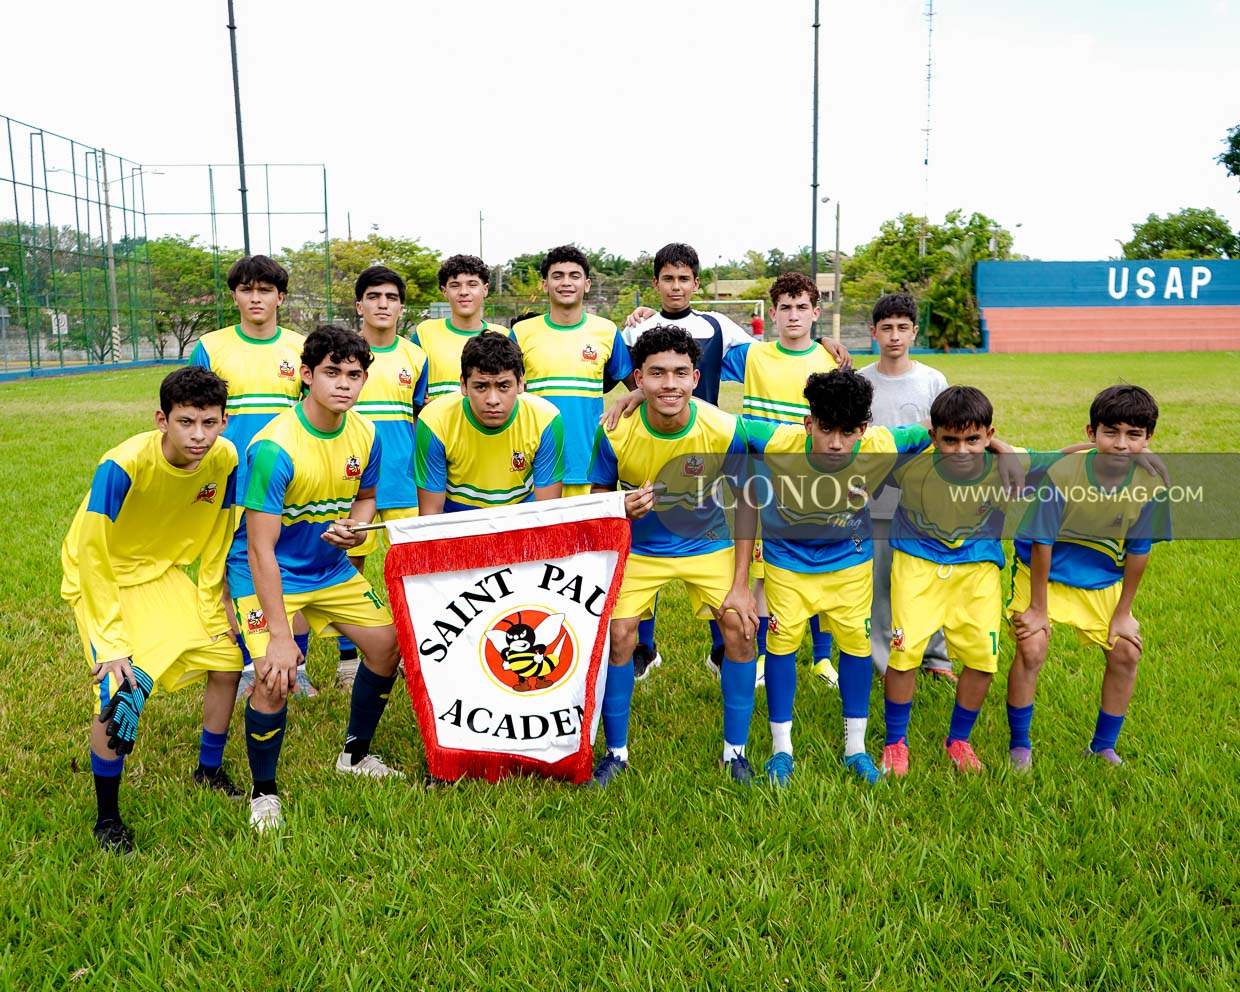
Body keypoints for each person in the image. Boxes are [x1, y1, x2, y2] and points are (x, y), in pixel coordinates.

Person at [609, 244, 851, 678]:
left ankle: (730, 649)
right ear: (656, 283)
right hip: (654, 444)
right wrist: (635, 393)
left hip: (711, 450)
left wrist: (822, 343)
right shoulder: (636, 329)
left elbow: (773, 351)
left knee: (719, 547)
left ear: (696, 283)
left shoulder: (717, 325)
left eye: (684, 279)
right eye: (668, 279)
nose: (676, 287)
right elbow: (627, 372)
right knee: (647, 540)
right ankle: (644, 647)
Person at [228, 325, 406, 834]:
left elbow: (366, 499)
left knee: (387, 646)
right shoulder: (274, 447)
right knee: (274, 675)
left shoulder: (366, 434)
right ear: (306, 375)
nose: (343, 384)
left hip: (329, 567)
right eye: (331, 373)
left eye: (354, 374)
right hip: (268, 572)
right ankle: (264, 793)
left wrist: (355, 527)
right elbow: (259, 548)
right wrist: (280, 637)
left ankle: (355, 755)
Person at [62, 366, 244, 853]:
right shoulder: (122, 465)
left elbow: (219, 536)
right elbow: (92, 555)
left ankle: (208, 771)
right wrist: (112, 643)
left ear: (224, 421)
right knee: (117, 689)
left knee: (227, 661)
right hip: (100, 576)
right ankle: (107, 818)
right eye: (186, 422)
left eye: (209, 422)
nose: (199, 435)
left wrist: (216, 603)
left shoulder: (226, 458)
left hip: (159, 573)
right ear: (162, 420)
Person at [587, 325, 759, 786]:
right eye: (657, 373)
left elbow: (747, 503)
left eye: (680, 373)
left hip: (709, 543)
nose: (669, 384)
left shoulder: (723, 429)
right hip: (639, 548)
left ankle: (735, 754)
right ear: (638, 379)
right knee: (619, 636)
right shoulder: (615, 431)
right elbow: (598, 497)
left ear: (696, 378)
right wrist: (619, 506)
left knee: (741, 628)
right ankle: (616, 754)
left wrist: (742, 586)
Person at [746, 370, 931, 786]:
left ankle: (855, 749)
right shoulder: (776, 441)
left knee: (856, 647)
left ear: (863, 430)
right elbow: (714, 422)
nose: (834, 443)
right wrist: (637, 399)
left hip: (849, 561)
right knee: (781, 646)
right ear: (808, 424)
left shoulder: (882, 444)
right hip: (787, 562)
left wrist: (997, 446)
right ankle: (781, 751)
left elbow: (931, 429)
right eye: (825, 429)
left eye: (847, 432)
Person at [880, 386, 1044, 777]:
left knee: (982, 660)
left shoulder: (1006, 463)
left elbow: (1072, 458)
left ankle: (958, 740)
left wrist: (1139, 457)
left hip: (978, 571)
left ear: (989, 435)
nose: (961, 450)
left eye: (973, 439)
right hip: (917, 567)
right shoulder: (910, 462)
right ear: (933, 437)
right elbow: (860, 448)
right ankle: (895, 743)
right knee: (904, 656)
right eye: (949, 440)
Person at [1006, 385, 1169, 770]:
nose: (1121, 444)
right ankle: (1020, 746)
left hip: (1100, 578)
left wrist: (1123, 613)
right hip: (1042, 575)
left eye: (1133, 435)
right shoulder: (1064, 473)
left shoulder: (1150, 485)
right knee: (1032, 646)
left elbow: (1139, 551)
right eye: (1111, 432)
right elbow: (1042, 541)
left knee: (1126, 651)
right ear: (1091, 432)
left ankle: (1103, 747)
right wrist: (1038, 609)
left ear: (1148, 438)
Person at [189, 254, 315, 700]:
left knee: (289, 573)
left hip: (288, 482)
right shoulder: (211, 347)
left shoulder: (300, 347)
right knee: (233, 575)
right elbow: (195, 413)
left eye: (265, 290)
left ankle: (297, 667)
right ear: (234, 296)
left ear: (281, 297)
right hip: (229, 482)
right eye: (247, 289)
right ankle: (248, 663)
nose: (256, 298)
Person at [732, 272, 841, 687]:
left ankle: (821, 658)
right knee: (764, 572)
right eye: (785, 308)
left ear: (816, 312)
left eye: (801, 307)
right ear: (772, 314)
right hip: (765, 483)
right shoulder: (752, 356)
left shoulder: (830, 362)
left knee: (821, 565)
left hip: (817, 482)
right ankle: (764, 654)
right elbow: (695, 353)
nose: (793, 315)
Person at [335, 266, 429, 689]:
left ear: (401, 307)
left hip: (404, 479)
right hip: (352, 481)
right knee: (347, 565)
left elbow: (420, 415)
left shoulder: (416, 357)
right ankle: (348, 658)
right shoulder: (343, 356)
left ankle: (414, 650)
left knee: (412, 567)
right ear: (359, 305)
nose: (382, 304)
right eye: (373, 297)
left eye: (391, 297)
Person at [858, 293, 955, 684]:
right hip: (878, 497)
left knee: (930, 576)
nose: (894, 336)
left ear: (914, 332)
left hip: (924, 497)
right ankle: (885, 662)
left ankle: (936, 658)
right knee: (882, 582)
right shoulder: (862, 381)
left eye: (902, 328)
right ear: (874, 333)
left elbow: (945, 438)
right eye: (887, 328)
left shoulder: (933, 380)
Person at [512, 246, 631, 497]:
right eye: (558, 276)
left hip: (587, 468)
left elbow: (638, 387)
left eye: (574, 276)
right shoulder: (522, 333)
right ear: (544, 284)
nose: (566, 282)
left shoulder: (607, 331)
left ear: (586, 284)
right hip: (533, 468)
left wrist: (622, 405)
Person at [414, 331, 565, 513]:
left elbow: (546, 515)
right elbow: (430, 517)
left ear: (520, 383)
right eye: (481, 386)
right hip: (456, 521)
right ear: (463, 385)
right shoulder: (434, 422)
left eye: (503, 386)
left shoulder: (546, 420)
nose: (493, 400)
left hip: (521, 519)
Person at [412, 254, 505, 402]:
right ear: (444, 291)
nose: (464, 292)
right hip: (440, 418)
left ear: (485, 289)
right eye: (455, 285)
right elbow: (411, 392)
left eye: (472, 284)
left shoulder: (503, 335)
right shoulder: (425, 333)